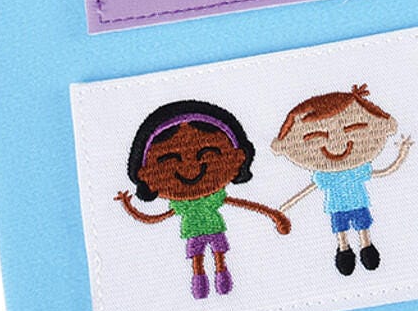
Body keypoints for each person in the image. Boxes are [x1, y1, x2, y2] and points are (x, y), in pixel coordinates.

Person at [115, 100, 291, 299]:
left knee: (217, 253)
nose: (191, 168)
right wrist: (128, 206)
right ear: (146, 174)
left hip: (211, 228)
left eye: (208, 154)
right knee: (199, 256)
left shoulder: (204, 200)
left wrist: (273, 214)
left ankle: (220, 275)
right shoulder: (183, 204)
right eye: (170, 160)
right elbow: (156, 217)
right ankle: (201, 279)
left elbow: (158, 217)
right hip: (198, 230)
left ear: (238, 157)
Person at [272, 84, 413, 275]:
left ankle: (365, 246)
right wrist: (284, 207)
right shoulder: (327, 175)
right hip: (339, 207)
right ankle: (345, 249)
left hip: (356, 204)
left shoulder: (354, 170)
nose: (336, 144)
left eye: (353, 129)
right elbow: (308, 189)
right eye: (316, 137)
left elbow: (384, 171)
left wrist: (402, 153)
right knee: (342, 229)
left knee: (361, 225)